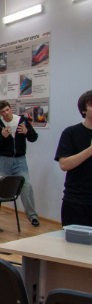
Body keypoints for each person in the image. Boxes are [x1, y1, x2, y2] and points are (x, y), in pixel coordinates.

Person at [0, 100, 40, 226]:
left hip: (19, 160)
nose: (6, 113)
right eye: (3, 112)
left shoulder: (22, 121)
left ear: (11, 108)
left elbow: (34, 138)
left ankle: (32, 216)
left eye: (7, 110)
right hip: (2, 159)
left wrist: (27, 132)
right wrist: (2, 136)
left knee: (26, 185)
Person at [55, 90, 92, 227]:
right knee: (75, 240)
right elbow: (64, 165)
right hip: (77, 202)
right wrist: (90, 150)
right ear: (84, 110)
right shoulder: (71, 132)